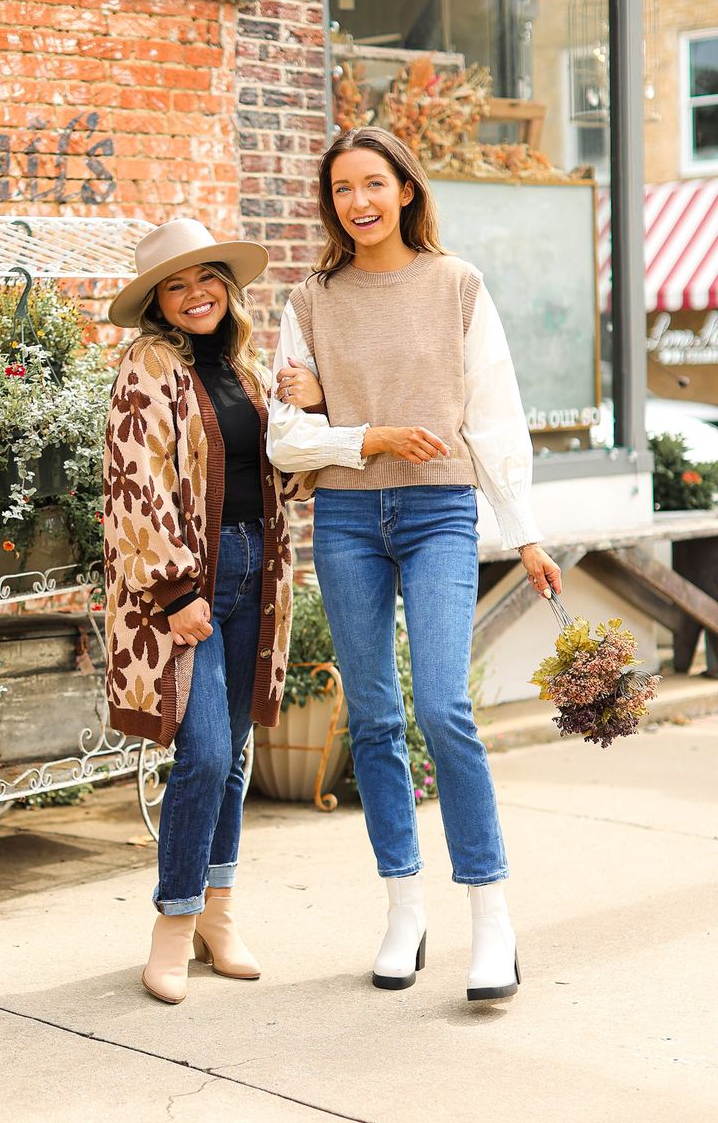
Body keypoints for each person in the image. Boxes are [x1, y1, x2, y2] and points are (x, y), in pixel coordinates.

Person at [267, 127, 562, 1002]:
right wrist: (367, 436)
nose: (357, 202)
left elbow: (495, 420)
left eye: (373, 184)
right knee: (374, 721)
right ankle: (403, 907)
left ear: (404, 189)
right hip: (349, 516)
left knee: (441, 705)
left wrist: (527, 533)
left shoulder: (457, 285)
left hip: (438, 509)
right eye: (342, 190)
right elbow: (287, 442)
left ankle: (490, 915)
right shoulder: (312, 300)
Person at [104, 218, 308, 1005]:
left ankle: (218, 913)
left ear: (228, 287)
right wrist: (175, 590)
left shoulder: (250, 372)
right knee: (206, 753)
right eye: (177, 285)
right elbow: (133, 486)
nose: (196, 296)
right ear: (158, 301)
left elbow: (284, 475)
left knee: (239, 753)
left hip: (259, 571)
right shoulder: (146, 366)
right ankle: (173, 920)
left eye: (207, 280)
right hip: (191, 585)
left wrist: (310, 413)